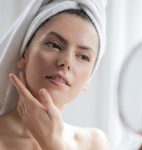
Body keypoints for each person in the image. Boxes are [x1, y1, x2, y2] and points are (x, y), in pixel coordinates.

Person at [0, 0, 108, 149]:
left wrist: (52, 143)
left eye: (83, 57)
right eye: (54, 45)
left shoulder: (93, 143)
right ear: (24, 54)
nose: (66, 62)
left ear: (88, 79)